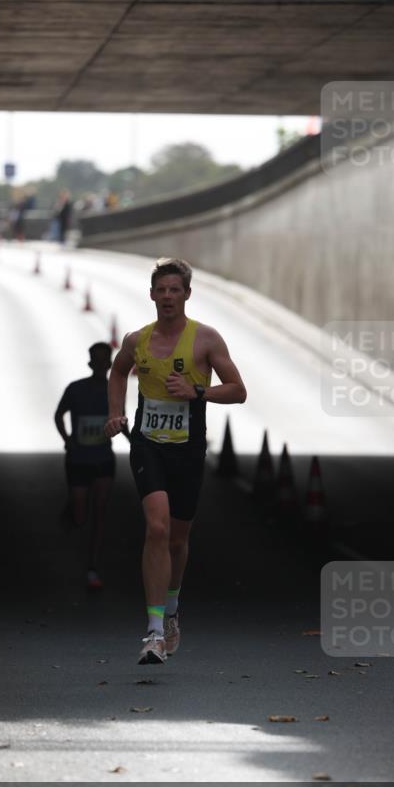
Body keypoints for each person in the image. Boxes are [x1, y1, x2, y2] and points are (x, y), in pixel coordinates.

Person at [105, 258, 246, 664]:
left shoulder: (206, 340)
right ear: (151, 295)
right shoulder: (137, 340)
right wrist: (116, 412)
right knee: (157, 526)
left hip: (188, 448)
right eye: (161, 290)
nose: (167, 297)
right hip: (148, 444)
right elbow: (117, 373)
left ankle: (170, 611)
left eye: (175, 290)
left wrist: (197, 391)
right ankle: (152, 633)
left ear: (186, 294)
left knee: (179, 539)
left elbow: (238, 391)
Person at [55, 343, 116, 590]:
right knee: (81, 517)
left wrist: (137, 443)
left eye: (104, 361)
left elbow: (118, 420)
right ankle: (72, 509)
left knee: (99, 515)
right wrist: (67, 439)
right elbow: (58, 414)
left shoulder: (115, 391)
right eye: (96, 361)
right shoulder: (75, 389)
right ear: (90, 363)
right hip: (78, 460)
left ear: (109, 364)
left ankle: (92, 566)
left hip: (103, 460)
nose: (100, 365)